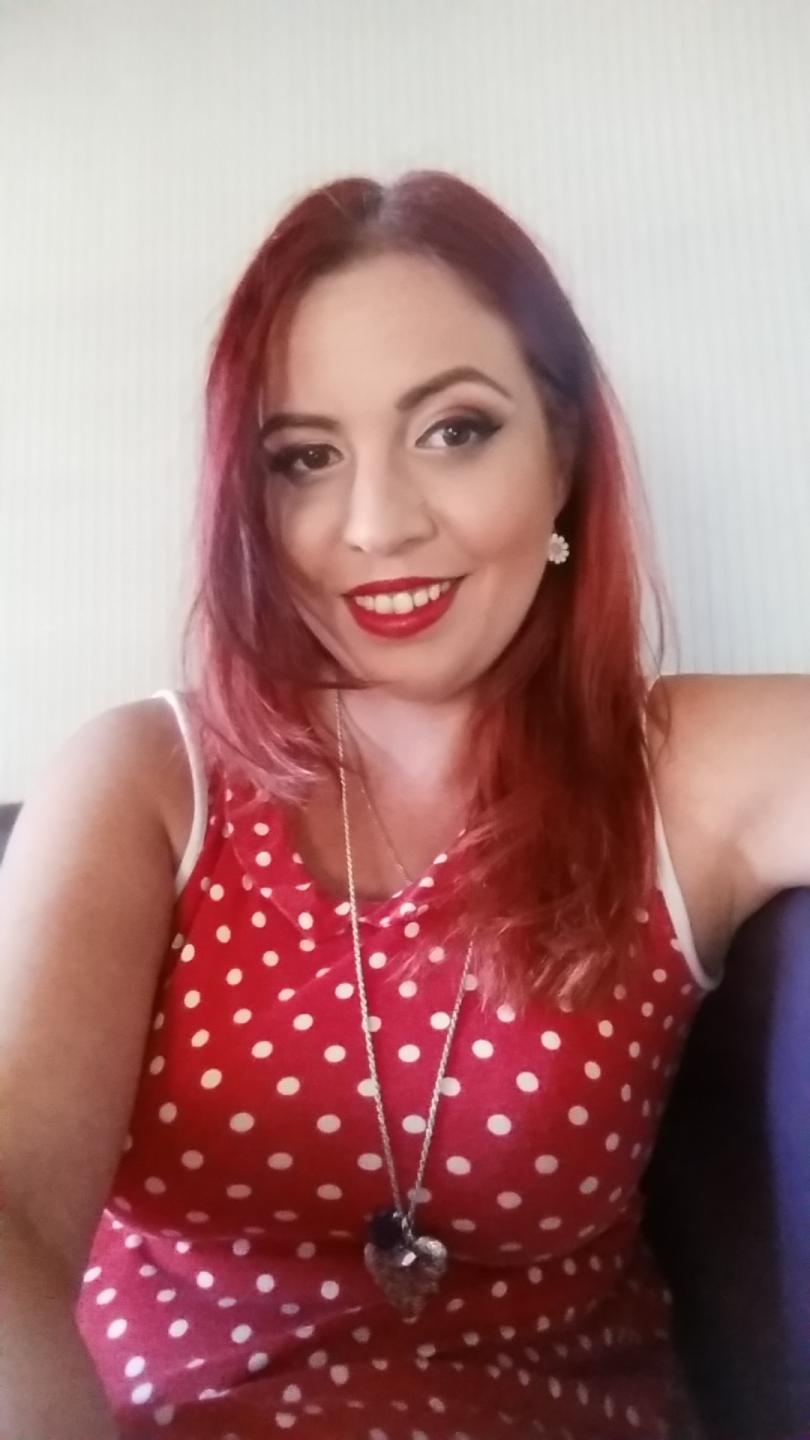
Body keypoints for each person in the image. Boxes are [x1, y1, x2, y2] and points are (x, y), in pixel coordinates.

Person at [1, 170, 808, 1440]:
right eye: (304, 458)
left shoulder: (679, 769)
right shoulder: (146, 780)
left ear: (562, 455)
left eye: (454, 430)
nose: (376, 525)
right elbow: (12, 1210)